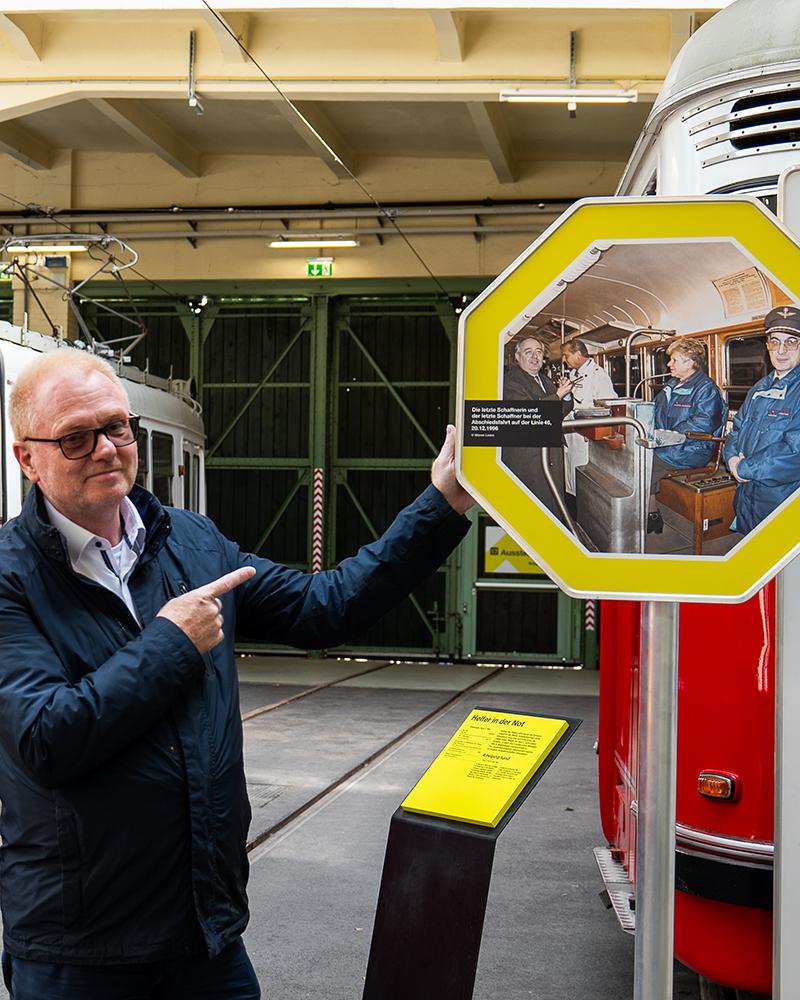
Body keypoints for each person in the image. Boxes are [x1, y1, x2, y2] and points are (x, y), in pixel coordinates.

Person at [0, 349, 474, 1000]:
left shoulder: (191, 544)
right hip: (82, 949)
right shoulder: (10, 579)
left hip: (205, 932)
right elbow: (47, 737)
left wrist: (443, 501)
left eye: (117, 427)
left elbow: (324, 606)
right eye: (77, 439)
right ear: (28, 457)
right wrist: (171, 640)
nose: (107, 449)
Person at [724, 304, 800, 536]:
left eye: (791, 342)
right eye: (775, 341)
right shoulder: (759, 388)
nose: (781, 351)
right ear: (767, 346)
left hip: (782, 498)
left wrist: (744, 467)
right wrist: (731, 459)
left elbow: (794, 451)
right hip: (747, 493)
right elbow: (736, 429)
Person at [648, 338, 725, 534]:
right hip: (667, 443)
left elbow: (704, 423)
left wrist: (668, 436)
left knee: (645, 465)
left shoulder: (706, 389)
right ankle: (649, 512)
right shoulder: (671, 385)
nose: (668, 364)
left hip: (694, 448)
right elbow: (653, 411)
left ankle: (651, 514)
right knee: (635, 456)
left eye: (674, 360)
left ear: (690, 362)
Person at [502, 336, 573, 521]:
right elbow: (527, 414)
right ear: (517, 357)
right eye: (528, 352)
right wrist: (557, 396)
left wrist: (565, 395)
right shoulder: (510, 382)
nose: (534, 357)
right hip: (529, 457)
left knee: (554, 501)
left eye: (538, 352)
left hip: (550, 453)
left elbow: (559, 412)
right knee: (536, 506)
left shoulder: (545, 380)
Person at [560, 339, 617, 501]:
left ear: (578, 354)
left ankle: (582, 511)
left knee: (582, 479)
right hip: (570, 431)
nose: (564, 360)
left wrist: (590, 429)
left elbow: (606, 408)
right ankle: (571, 508)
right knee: (570, 475)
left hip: (585, 435)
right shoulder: (573, 374)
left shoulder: (598, 375)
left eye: (566, 355)